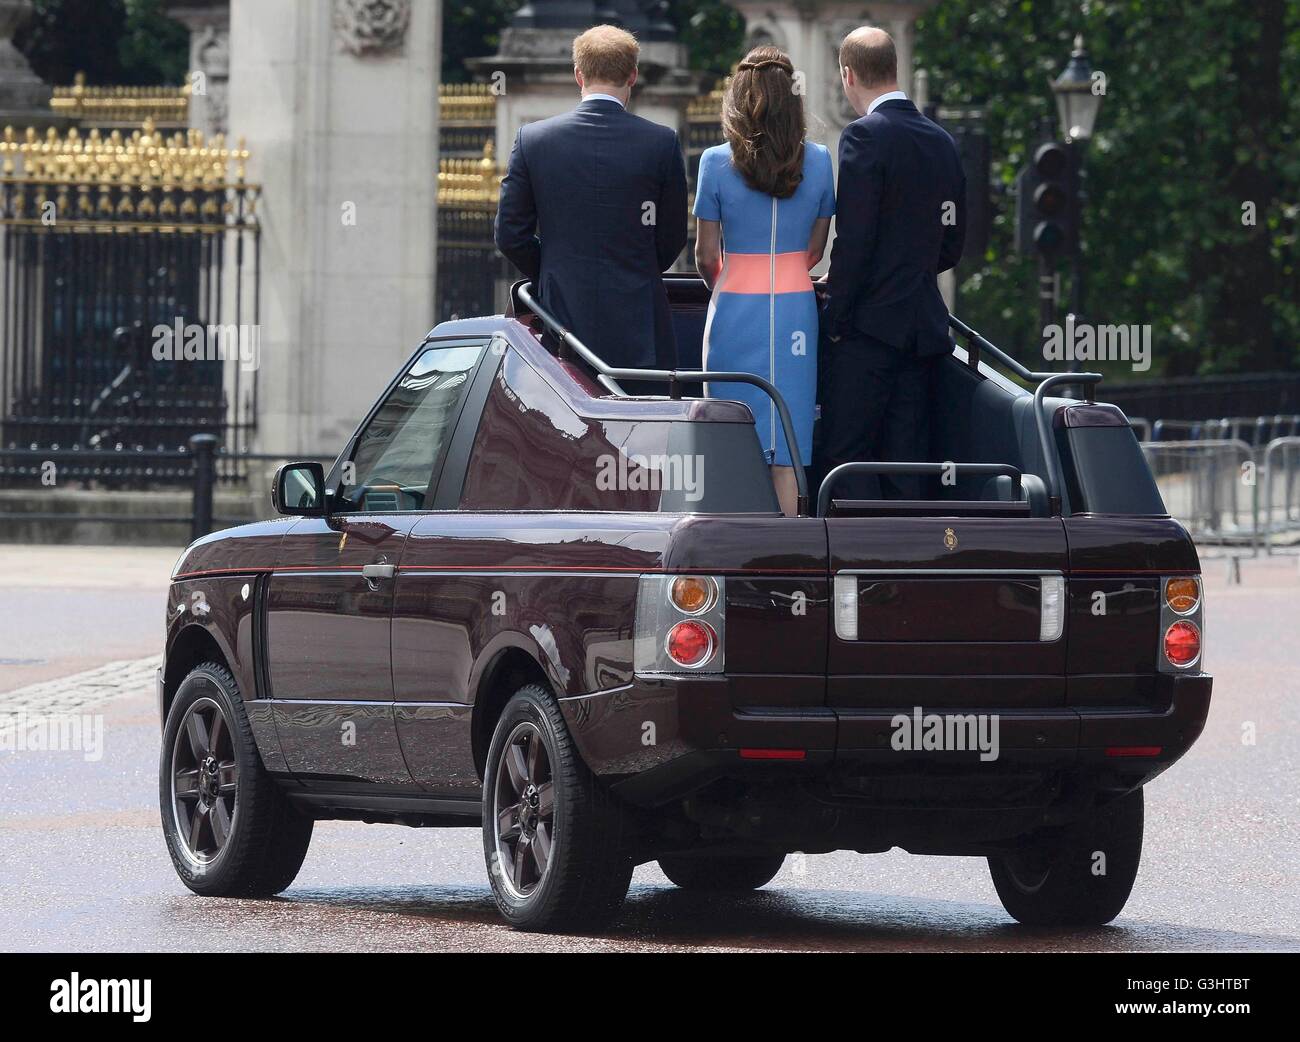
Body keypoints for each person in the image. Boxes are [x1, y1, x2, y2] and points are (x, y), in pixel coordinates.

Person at [820, 26, 966, 501]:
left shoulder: (864, 136)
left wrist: (836, 318)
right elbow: (952, 244)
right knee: (910, 465)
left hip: (867, 331)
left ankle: (853, 572)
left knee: (847, 463)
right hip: (922, 330)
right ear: (894, 69)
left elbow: (855, 241)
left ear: (848, 74)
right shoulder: (941, 141)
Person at [494, 24, 688, 374]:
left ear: (578, 74)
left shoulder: (533, 140)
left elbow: (510, 234)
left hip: (559, 323)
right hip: (639, 326)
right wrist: (636, 270)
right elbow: (672, 236)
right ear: (633, 75)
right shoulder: (661, 142)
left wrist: (554, 271)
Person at [694, 47, 835, 517]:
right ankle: (788, 560)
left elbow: (706, 254)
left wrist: (729, 278)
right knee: (789, 440)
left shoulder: (715, 162)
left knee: (732, 436)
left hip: (734, 307)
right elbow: (815, 251)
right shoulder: (818, 160)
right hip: (795, 308)